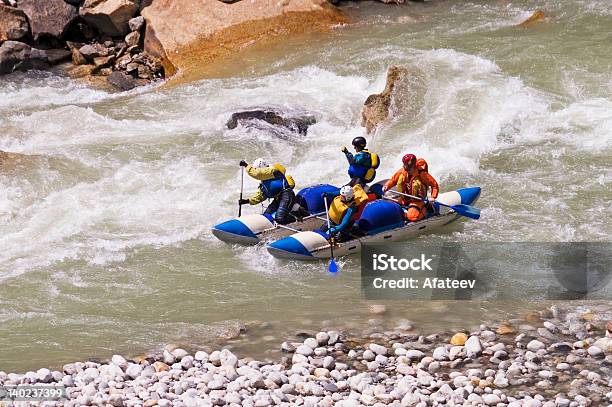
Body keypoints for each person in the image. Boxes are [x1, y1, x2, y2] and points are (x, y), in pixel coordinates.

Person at [238, 158, 297, 224]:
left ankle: (297, 219)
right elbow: (260, 196)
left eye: (256, 169)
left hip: (287, 195)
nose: (255, 170)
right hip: (278, 199)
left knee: (279, 218)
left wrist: (246, 165)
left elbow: (257, 174)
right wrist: (246, 201)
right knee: (265, 218)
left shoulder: (272, 170)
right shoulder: (264, 183)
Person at [382, 153, 429, 222]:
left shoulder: (422, 174)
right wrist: (386, 186)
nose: (407, 169)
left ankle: (425, 209)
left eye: (409, 167)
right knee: (387, 206)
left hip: (417, 200)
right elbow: (393, 180)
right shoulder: (402, 172)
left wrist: (433, 197)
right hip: (405, 199)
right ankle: (405, 212)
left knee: (412, 217)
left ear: (414, 165)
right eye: (405, 165)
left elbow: (434, 185)